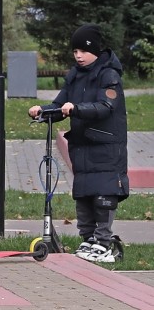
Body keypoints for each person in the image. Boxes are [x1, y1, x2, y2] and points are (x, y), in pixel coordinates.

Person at [28, 23, 128, 263]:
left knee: (104, 194)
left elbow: (106, 106)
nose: (78, 56)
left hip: (106, 147)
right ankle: (88, 238)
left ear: (94, 49)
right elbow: (60, 104)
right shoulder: (75, 76)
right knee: (83, 194)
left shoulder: (109, 75)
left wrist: (77, 109)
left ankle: (104, 241)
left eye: (82, 50)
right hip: (82, 147)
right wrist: (43, 111)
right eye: (75, 51)